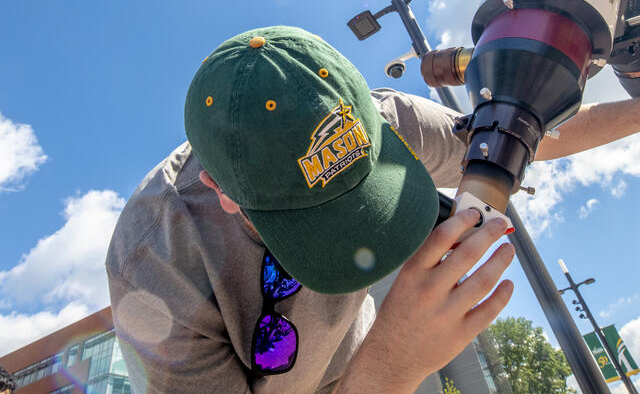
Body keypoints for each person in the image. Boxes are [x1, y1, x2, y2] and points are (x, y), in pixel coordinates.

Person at [107, 26, 640, 394]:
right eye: (321, 218)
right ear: (221, 190)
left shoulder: (384, 119)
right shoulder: (153, 263)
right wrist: (395, 360)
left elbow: (521, 135)